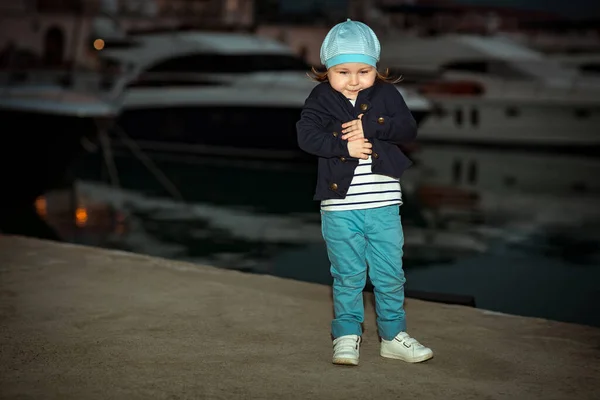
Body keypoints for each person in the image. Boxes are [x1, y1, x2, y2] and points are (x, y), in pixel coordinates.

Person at [296, 18, 433, 366]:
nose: (353, 80)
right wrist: (345, 147)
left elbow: (408, 128)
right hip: (340, 208)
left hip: (384, 204)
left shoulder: (386, 95)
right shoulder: (321, 97)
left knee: (390, 274)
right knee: (347, 276)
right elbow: (306, 137)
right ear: (327, 69)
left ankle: (392, 336)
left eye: (363, 71)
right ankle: (346, 335)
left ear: (376, 69)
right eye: (343, 71)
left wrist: (372, 126)